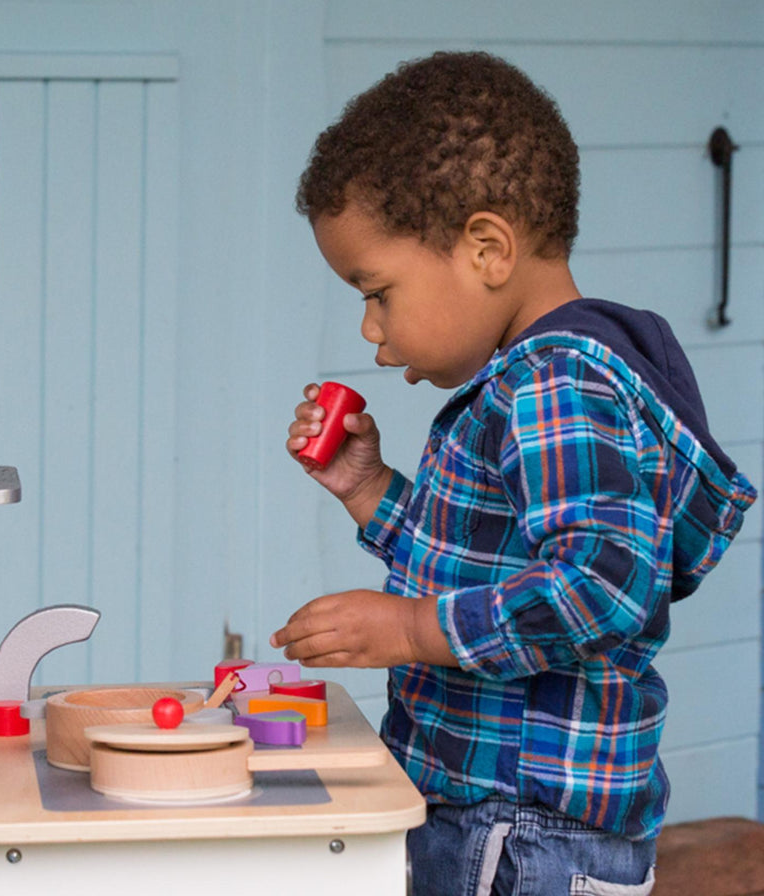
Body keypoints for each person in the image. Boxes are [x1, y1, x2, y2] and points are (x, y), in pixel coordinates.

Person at [269, 52, 758, 896]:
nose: (369, 327)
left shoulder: (555, 384)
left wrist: (411, 631)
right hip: (502, 822)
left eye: (378, 291)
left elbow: (601, 589)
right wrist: (367, 487)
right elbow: (490, 557)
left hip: (524, 834)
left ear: (487, 248)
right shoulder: (548, 379)